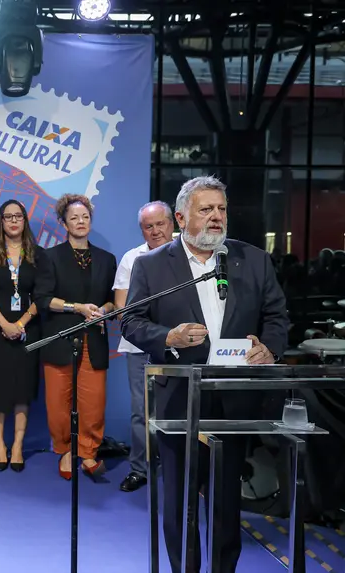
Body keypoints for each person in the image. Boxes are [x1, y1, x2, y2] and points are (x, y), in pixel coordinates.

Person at [121, 175, 288, 573]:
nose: (217, 216)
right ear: (181, 218)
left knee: (226, 500)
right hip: (179, 400)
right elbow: (131, 322)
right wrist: (169, 336)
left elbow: (277, 317)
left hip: (234, 399)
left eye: (221, 209)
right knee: (180, 500)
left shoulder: (253, 259)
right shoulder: (151, 265)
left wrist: (270, 348)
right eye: (206, 209)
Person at [34, 193, 117, 480]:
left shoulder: (107, 259)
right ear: (64, 223)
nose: (81, 222)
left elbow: (113, 300)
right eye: (74, 218)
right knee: (58, 404)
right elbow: (43, 299)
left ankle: (89, 452)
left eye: (85, 217)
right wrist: (77, 308)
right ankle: (65, 451)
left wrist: (102, 311)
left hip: (94, 340)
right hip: (60, 339)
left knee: (94, 403)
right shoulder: (50, 257)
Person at [112, 201, 175, 493]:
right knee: (141, 411)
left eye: (160, 224)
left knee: (178, 409)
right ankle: (140, 468)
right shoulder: (131, 258)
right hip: (139, 347)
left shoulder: (188, 255)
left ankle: (179, 467)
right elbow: (122, 308)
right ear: (142, 230)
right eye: (148, 226)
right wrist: (155, 332)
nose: (155, 231)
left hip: (181, 347)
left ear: (172, 223)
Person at [0, 200, 42, 472]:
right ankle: (0, 446)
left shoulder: (38, 255)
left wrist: (21, 323)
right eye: (8, 217)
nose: (13, 221)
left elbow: (42, 295)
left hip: (27, 331)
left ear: (25, 220)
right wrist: (5, 324)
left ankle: (17, 446)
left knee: (22, 389)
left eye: (18, 216)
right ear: (1, 222)